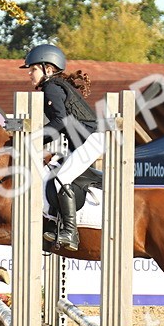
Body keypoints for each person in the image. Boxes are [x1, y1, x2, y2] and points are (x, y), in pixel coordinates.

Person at [20, 43, 102, 251]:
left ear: (48, 68)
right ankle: (58, 225)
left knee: (61, 178)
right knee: (54, 173)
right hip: (83, 141)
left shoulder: (52, 87)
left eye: (33, 69)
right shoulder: (55, 86)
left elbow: (60, 123)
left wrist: (33, 141)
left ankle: (70, 232)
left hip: (90, 140)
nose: (29, 73)